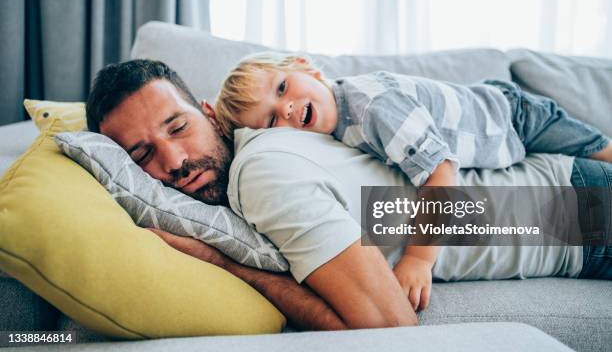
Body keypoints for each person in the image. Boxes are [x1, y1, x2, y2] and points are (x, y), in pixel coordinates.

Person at [86, 59, 612, 330]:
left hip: (578, 213)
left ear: (208, 114)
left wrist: (225, 264)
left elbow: (386, 327)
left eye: (177, 128)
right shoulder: (271, 150)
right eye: (140, 157)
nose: (174, 163)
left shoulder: (262, 172)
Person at [213, 52, 612, 309]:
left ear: (307, 67)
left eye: (282, 88)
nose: (286, 108)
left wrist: (418, 258)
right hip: (502, 128)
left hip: (515, 116)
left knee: (599, 147)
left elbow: (441, 173)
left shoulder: (373, 109)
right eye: (270, 121)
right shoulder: (326, 134)